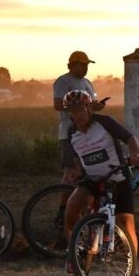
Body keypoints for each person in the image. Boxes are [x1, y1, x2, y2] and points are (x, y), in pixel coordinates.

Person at [61, 90, 139, 276]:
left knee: (126, 223)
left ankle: (133, 270)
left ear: (89, 107)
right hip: (92, 179)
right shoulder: (71, 132)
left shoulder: (104, 122)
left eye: (81, 109)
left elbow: (130, 138)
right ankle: (76, 252)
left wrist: (135, 153)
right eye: (74, 111)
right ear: (69, 114)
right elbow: (78, 159)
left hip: (117, 177)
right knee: (72, 207)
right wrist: (77, 172)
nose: (79, 114)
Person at [53, 51, 105, 185]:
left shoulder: (87, 82)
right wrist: (80, 106)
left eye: (87, 65)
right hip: (69, 132)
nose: (86, 68)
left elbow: (89, 105)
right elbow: (58, 104)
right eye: (83, 65)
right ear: (73, 65)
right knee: (71, 171)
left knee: (87, 170)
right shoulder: (63, 81)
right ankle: (64, 199)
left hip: (88, 132)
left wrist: (95, 106)